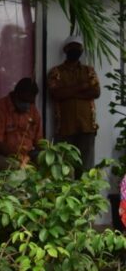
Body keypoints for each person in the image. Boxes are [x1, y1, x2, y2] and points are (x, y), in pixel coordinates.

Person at [48, 35, 100, 171]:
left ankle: (87, 192)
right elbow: (56, 94)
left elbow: (96, 92)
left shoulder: (89, 71)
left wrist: (69, 93)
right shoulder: (56, 71)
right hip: (65, 126)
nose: (75, 50)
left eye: (78, 48)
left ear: (82, 50)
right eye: (72, 47)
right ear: (66, 50)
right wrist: (81, 87)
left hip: (87, 126)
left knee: (86, 167)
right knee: (65, 167)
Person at [0, 78, 43, 171]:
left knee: (54, 166)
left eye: (30, 102)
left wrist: (45, 155)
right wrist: (18, 157)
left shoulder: (33, 111)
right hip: (1, 157)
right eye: (24, 100)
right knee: (15, 169)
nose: (27, 105)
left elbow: (39, 141)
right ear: (16, 94)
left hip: (28, 156)